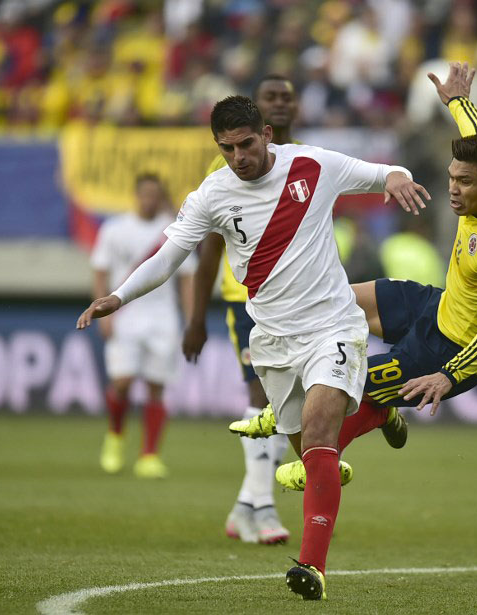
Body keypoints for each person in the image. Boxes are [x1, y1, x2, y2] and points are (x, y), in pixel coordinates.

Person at [77, 94, 430, 600]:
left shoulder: (312, 164)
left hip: (332, 325)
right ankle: (376, 410)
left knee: (318, 433)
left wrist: (396, 174)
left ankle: (313, 568)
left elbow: (380, 172)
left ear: (266, 133)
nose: (238, 157)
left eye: (246, 144)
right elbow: (169, 255)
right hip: (271, 342)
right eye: (227, 149)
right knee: (310, 451)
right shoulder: (212, 195)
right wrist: (118, 295)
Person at [233, 62, 477, 492]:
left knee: (346, 385)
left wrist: (448, 374)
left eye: (464, 183)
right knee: (337, 298)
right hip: (438, 305)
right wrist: (457, 101)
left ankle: (320, 456)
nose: (453, 189)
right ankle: (298, 397)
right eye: (451, 177)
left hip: (448, 350)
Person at [181, 75, 300, 546]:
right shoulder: (227, 167)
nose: (280, 104)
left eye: (287, 98)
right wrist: (195, 318)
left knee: (290, 402)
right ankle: (264, 508)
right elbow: (208, 250)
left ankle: (245, 506)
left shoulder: (306, 161)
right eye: (271, 98)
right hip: (245, 300)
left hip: (297, 303)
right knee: (263, 399)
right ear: (259, 112)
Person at [91, 173, 196, 479]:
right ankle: (115, 436)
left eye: (154, 194)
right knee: (122, 382)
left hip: (162, 315)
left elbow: (187, 276)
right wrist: (103, 312)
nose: (149, 200)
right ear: (136, 195)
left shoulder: (172, 231)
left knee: (156, 385)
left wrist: (191, 319)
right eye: (144, 194)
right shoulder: (115, 229)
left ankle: (149, 454)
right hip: (125, 313)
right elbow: (100, 271)